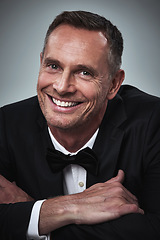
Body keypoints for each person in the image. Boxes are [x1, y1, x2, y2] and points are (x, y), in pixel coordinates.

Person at [0, 10, 160, 240]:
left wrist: (33, 213)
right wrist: (68, 207)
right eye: (53, 66)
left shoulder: (154, 122)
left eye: (84, 72)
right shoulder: (6, 124)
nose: (62, 86)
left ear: (114, 84)